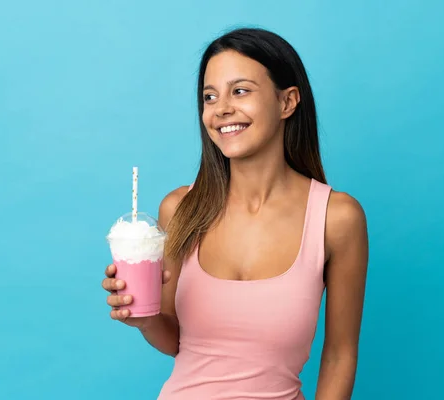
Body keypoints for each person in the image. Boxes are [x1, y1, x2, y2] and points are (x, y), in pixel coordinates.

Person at [101, 27, 369, 400]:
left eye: (240, 91)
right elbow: (175, 339)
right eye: (210, 97)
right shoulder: (180, 209)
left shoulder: (337, 218)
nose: (222, 108)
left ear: (288, 102)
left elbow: (340, 356)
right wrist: (145, 320)